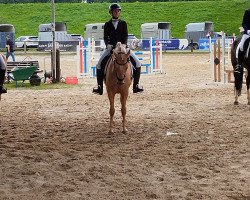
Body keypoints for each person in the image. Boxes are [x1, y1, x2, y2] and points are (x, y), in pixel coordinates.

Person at [93, 3, 143, 95]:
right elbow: (105, 37)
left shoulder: (123, 23)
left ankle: (136, 85)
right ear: (111, 12)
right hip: (111, 48)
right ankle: (99, 87)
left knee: (138, 63)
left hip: (123, 48)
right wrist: (108, 45)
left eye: (118, 11)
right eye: (115, 11)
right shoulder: (107, 24)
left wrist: (124, 45)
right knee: (99, 64)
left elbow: (125, 35)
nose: (116, 12)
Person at [235, 8, 250, 73]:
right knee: (242, 45)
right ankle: (239, 64)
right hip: (248, 33)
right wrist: (248, 31)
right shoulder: (247, 11)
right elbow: (244, 23)